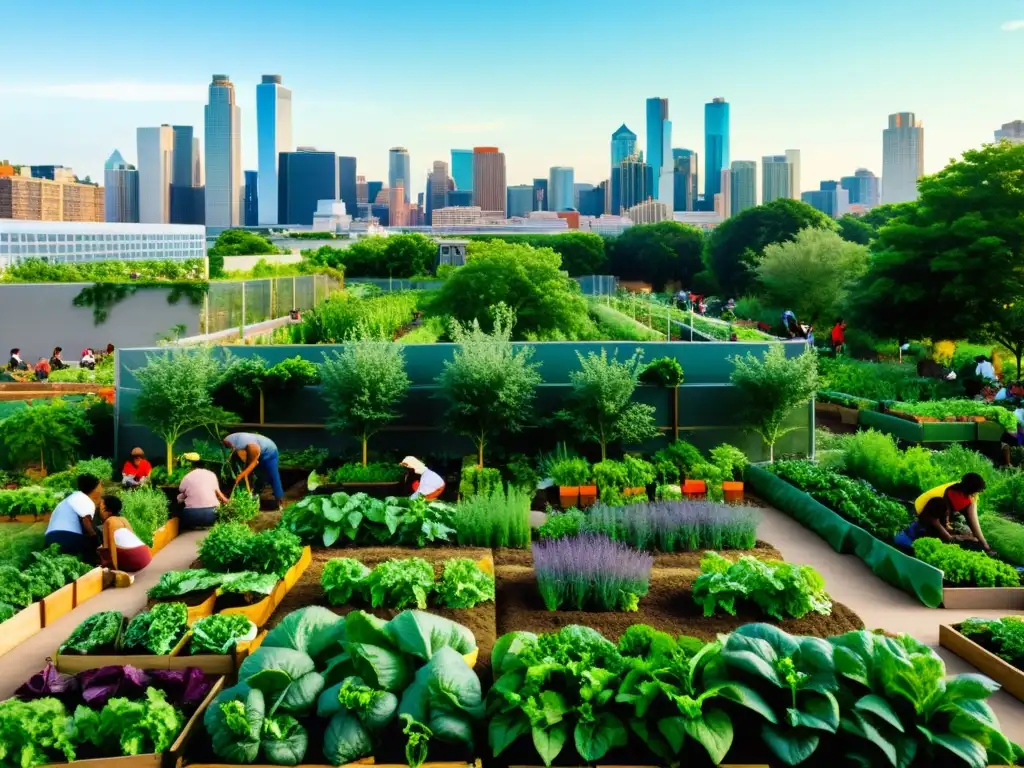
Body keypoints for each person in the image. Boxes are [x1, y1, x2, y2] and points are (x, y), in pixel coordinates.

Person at [895, 473, 992, 553]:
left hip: (906, 538)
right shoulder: (934, 517)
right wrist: (966, 538)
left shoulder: (936, 513)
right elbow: (949, 538)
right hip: (905, 544)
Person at [44, 474, 105, 557]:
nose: (102, 489)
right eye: (101, 485)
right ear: (95, 489)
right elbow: (86, 521)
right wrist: (97, 543)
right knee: (94, 548)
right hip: (66, 536)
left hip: (50, 537)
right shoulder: (84, 499)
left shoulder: (74, 497)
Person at [223, 432, 283, 510]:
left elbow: (254, 463)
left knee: (272, 475)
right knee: (254, 474)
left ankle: (279, 501)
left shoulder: (252, 448)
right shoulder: (231, 442)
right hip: (251, 444)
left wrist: (242, 475)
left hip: (270, 452)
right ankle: (254, 493)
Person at [98, 495, 152, 572]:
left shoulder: (109, 521)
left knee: (102, 552)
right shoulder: (123, 519)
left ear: (106, 510)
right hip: (145, 554)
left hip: (133, 559)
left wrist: (113, 569)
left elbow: (109, 550)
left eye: (100, 507)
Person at [177, 453, 230, 529]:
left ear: (190, 465)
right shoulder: (211, 474)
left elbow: (181, 490)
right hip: (212, 515)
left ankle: (184, 526)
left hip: (192, 517)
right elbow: (220, 495)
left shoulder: (187, 477)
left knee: (180, 497)